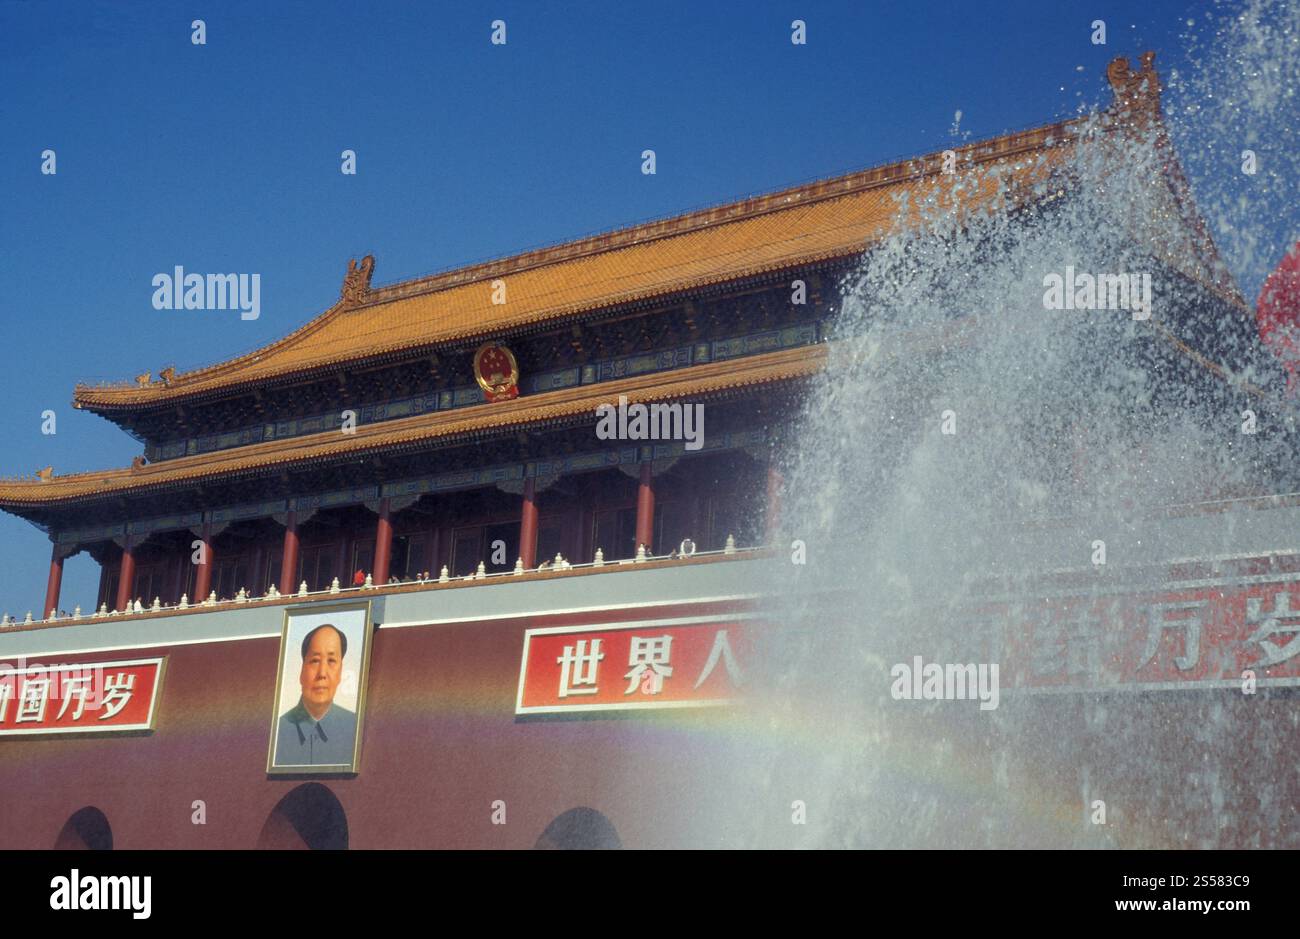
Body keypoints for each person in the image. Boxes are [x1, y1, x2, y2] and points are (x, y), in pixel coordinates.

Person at [274, 623, 358, 767]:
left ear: (340, 672)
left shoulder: (356, 728)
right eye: (315, 661)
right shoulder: (276, 732)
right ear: (301, 671)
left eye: (331, 661)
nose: (322, 673)